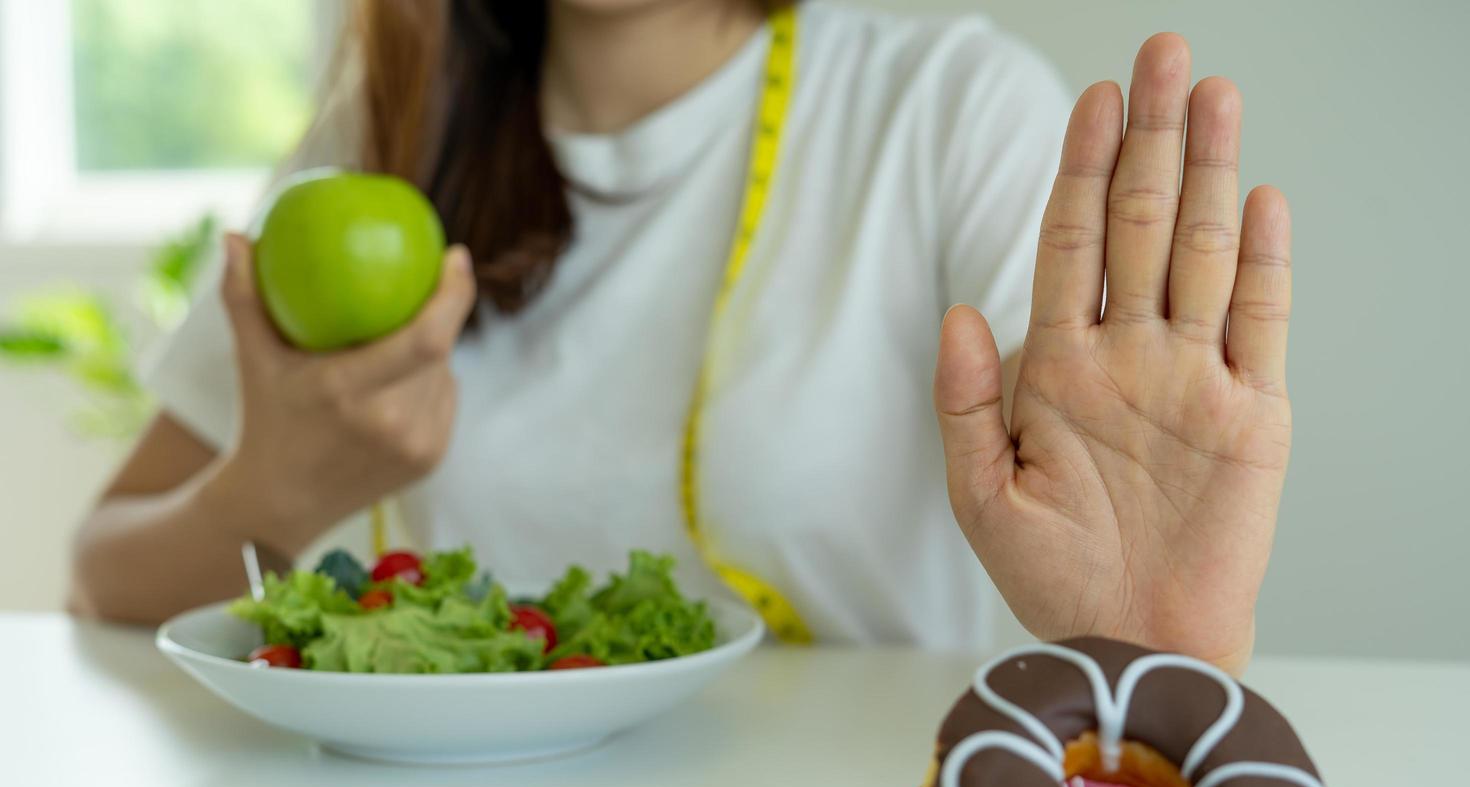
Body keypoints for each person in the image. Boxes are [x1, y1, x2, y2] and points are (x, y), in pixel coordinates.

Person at [71, 0, 1292, 673]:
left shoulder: (942, 112)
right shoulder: (380, 135)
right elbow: (102, 569)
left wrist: (1162, 631)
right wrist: (266, 495)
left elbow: (1089, 459)